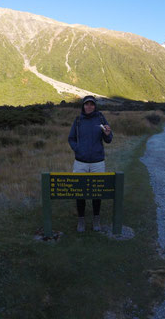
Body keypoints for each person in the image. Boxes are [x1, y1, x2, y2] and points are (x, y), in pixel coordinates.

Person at [68, 95, 113, 232]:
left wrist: (107, 133)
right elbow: (71, 138)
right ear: (83, 106)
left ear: (95, 106)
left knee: (97, 191)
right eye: (86, 104)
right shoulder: (77, 121)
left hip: (97, 162)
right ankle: (81, 219)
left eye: (91, 104)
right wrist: (78, 149)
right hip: (80, 162)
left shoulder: (100, 118)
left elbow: (109, 139)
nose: (89, 107)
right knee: (79, 191)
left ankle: (96, 218)